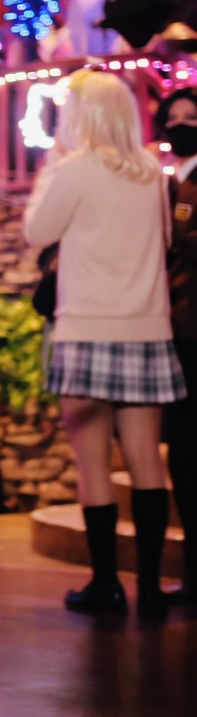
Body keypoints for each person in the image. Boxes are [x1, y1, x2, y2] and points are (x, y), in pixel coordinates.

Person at [24, 69, 185, 619]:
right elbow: (165, 242)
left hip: (87, 326)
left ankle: (106, 584)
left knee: (93, 462)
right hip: (146, 327)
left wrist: (50, 169)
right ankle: (151, 588)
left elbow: (37, 232)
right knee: (146, 459)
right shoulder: (153, 174)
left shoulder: (72, 170)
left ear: (80, 115)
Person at [156, 86, 197, 606]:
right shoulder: (167, 184)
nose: (183, 125)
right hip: (176, 337)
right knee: (183, 457)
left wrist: (174, 230)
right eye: (175, 117)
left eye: (193, 117)